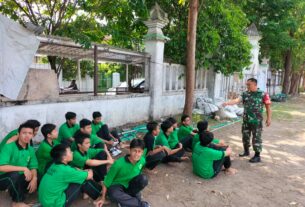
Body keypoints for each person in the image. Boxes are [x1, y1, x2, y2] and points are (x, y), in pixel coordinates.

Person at [223, 78, 272, 163]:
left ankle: (257, 156)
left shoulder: (263, 94)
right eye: (247, 84)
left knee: (256, 138)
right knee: (245, 136)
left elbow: (268, 107)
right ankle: (246, 151)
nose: (247, 86)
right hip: (246, 120)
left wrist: (269, 118)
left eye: (249, 84)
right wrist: (228, 103)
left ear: (255, 84)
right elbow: (237, 100)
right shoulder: (245, 94)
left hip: (257, 121)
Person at [38, 144, 103, 207]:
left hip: (46, 201)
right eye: (70, 152)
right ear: (64, 158)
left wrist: (81, 171)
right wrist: (89, 170)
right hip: (56, 204)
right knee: (84, 181)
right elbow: (89, 175)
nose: (72, 152)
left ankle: (98, 192)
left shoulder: (54, 165)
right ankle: (100, 196)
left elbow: (73, 170)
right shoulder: (65, 170)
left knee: (79, 177)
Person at [95, 139, 150, 207]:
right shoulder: (118, 164)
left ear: (142, 152)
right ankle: (140, 204)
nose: (137, 154)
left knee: (143, 179)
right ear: (130, 150)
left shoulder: (142, 161)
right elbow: (106, 182)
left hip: (129, 185)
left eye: (139, 151)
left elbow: (138, 174)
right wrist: (103, 198)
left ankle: (126, 200)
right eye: (134, 151)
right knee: (113, 193)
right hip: (117, 186)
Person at [0, 122, 38, 207]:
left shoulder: (30, 149)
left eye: (30, 133)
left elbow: (33, 166)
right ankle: (17, 202)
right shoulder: (8, 147)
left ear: (32, 136)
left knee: (37, 175)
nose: (27, 136)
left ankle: (16, 191)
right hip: (3, 178)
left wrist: (34, 178)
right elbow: (1, 167)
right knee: (14, 175)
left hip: (18, 176)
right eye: (24, 133)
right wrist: (23, 168)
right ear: (18, 134)